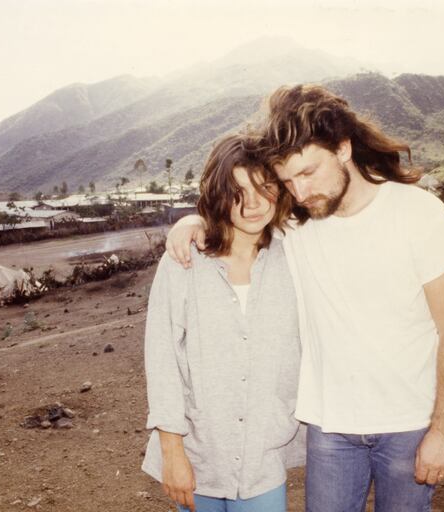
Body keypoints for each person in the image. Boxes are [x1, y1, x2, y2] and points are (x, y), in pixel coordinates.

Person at [167, 85, 444, 512]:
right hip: (330, 429)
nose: (300, 191)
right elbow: (241, 219)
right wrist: (190, 222)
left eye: (309, 172)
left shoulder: (418, 213)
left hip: (410, 425)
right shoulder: (299, 224)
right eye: (288, 180)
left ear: (344, 149)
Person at [142, 134, 305, 512]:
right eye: (237, 191)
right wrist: (172, 453)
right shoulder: (184, 263)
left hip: (264, 457)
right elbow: (163, 360)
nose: (253, 204)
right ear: (217, 194)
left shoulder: (295, 254)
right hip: (200, 455)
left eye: (264, 188)